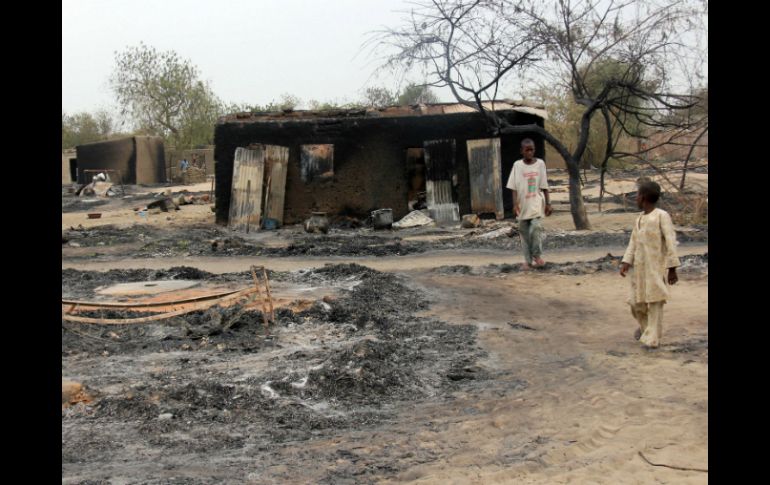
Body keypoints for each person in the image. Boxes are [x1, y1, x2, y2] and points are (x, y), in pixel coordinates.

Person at [619, 180, 680, 349]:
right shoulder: (638, 219)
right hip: (638, 269)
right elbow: (633, 242)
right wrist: (626, 261)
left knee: (655, 302)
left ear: (643, 197)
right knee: (634, 303)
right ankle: (646, 330)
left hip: (655, 269)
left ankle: (652, 339)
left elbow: (670, 242)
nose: (636, 199)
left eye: (637, 195)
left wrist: (672, 268)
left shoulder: (661, 216)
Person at [506, 138, 552, 270]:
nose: (530, 152)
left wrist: (548, 203)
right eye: (527, 150)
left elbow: (544, 185)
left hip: (536, 204)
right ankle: (527, 261)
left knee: (535, 229)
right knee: (524, 235)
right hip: (522, 206)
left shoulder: (540, 164)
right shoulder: (517, 165)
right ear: (522, 151)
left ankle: (537, 256)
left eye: (532, 149)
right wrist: (515, 204)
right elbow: (513, 187)